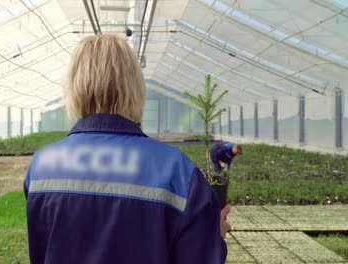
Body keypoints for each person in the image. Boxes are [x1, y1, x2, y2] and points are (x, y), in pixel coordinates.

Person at [24, 34, 231, 264]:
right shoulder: (177, 170)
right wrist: (216, 239)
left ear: (74, 88)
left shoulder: (41, 166)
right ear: (135, 87)